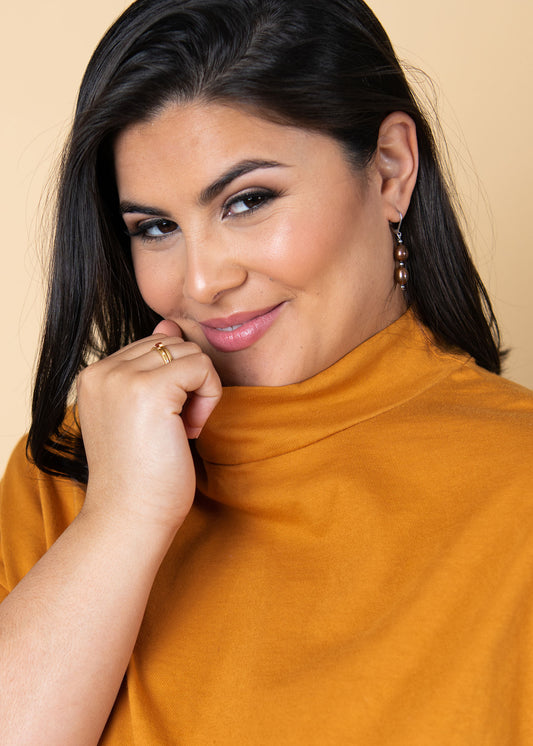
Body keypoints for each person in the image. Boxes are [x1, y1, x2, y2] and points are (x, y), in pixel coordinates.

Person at [1, 0, 532, 742]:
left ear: (390, 169)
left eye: (247, 201)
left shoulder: (516, 483)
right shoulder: (72, 468)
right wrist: (123, 515)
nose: (202, 281)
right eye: (155, 227)